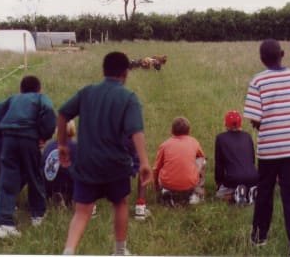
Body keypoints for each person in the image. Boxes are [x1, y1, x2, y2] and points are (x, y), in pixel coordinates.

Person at [56, 51, 151, 256]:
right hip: (115, 165)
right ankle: (119, 251)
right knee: (120, 203)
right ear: (126, 74)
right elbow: (136, 131)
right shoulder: (129, 98)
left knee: (82, 211)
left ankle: (69, 251)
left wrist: (62, 144)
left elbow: (63, 113)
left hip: (86, 163)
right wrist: (144, 162)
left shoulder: (87, 92)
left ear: (103, 71)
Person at [243, 39, 290, 257]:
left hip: (268, 149)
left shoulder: (258, 81)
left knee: (264, 192)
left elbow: (255, 119)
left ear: (261, 59)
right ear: (282, 54)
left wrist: (264, 122)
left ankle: (259, 237)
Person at [0, 75, 57, 239]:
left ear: (21, 89)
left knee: (7, 179)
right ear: (39, 88)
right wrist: (43, 136)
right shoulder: (41, 98)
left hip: (9, 139)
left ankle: (5, 224)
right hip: (29, 139)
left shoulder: (12, 99)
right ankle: (37, 215)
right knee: (34, 176)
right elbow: (50, 114)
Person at [153, 116, 206, 206]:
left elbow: (156, 168)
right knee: (202, 161)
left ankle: (166, 191)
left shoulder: (165, 145)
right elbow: (202, 157)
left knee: (161, 167)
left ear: (172, 131)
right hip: (190, 183)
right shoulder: (194, 142)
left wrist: (156, 187)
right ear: (189, 131)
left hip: (167, 183)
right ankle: (196, 193)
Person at [214, 110, 258, 205]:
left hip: (234, 178)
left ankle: (237, 194)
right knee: (248, 183)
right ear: (240, 124)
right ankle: (251, 191)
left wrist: (219, 182)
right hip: (254, 176)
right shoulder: (247, 136)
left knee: (219, 195)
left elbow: (219, 164)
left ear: (226, 124)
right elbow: (252, 159)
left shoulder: (220, 138)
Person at [42, 120, 77, 206]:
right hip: (66, 183)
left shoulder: (48, 145)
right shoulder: (75, 147)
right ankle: (70, 197)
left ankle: (54, 194)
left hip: (47, 185)